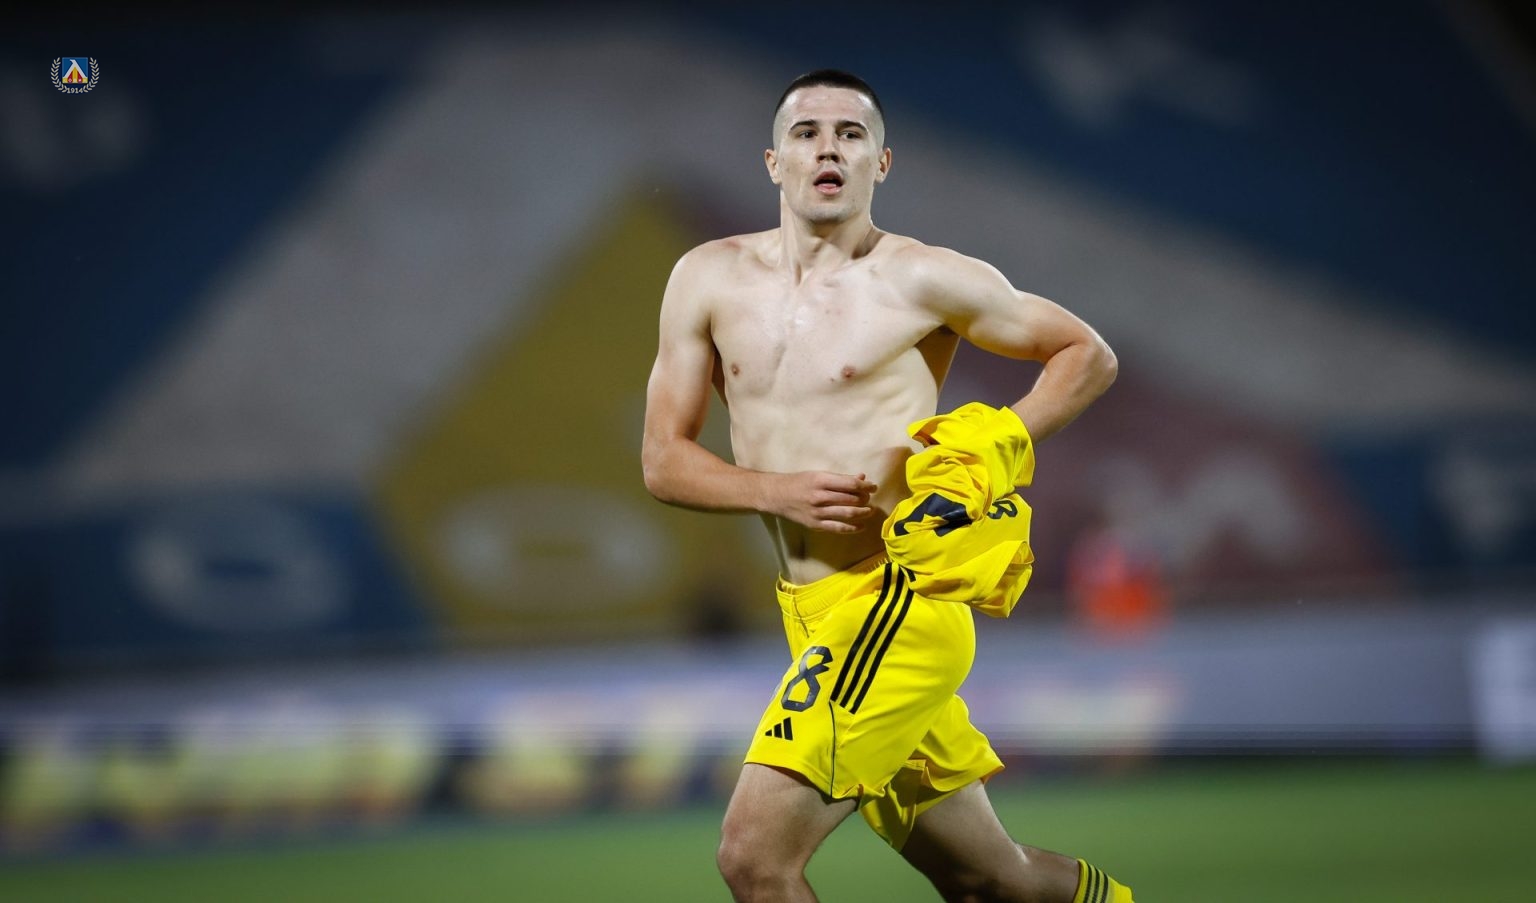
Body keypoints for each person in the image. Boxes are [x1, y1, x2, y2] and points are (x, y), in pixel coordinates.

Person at [642, 70, 1132, 903]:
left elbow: (1087, 354)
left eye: (851, 133)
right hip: (813, 616)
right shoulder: (706, 277)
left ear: (882, 161)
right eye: (806, 133)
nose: (828, 148)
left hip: (896, 605)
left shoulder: (923, 277)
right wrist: (776, 491)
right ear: (774, 162)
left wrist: (992, 445)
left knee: (754, 858)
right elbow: (663, 460)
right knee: (991, 881)